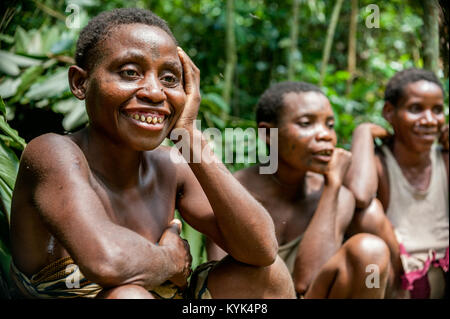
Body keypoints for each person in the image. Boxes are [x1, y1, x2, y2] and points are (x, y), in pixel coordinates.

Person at [8, 8, 295, 299]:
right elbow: (106, 261)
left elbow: (261, 250)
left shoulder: (171, 166)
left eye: (170, 78)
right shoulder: (52, 153)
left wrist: (189, 138)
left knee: (269, 277)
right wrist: (170, 259)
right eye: (130, 73)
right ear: (80, 83)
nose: (155, 93)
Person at [207, 81, 391, 298]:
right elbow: (219, 283)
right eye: (306, 123)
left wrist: (332, 187)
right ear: (268, 134)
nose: (325, 135)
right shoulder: (231, 191)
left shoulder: (335, 192)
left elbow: (307, 282)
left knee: (371, 251)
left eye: (329, 125)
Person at [345, 68, 449, 299]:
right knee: (367, 215)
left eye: (438, 110)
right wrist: (362, 132)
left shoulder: (444, 160)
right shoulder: (380, 166)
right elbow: (360, 195)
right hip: (397, 284)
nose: (430, 120)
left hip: (442, 274)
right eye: (415, 109)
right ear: (389, 112)